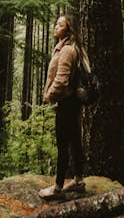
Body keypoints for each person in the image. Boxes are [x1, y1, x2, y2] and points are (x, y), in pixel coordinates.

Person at [39, 14, 89, 199]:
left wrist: (49, 95)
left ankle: (58, 187)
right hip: (72, 102)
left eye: (60, 24)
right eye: (56, 23)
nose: (55, 26)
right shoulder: (69, 47)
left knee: (63, 144)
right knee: (75, 140)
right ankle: (78, 180)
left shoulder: (67, 50)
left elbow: (61, 80)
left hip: (66, 102)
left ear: (68, 30)